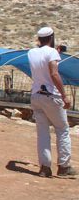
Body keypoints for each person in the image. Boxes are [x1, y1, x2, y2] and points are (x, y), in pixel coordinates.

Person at [27, 26, 76, 178]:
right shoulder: (52, 53)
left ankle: (44, 167)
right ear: (52, 38)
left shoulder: (31, 52)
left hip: (36, 95)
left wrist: (56, 51)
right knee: (62, 129)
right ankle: (64, 166)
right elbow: (54, 73)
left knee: (42, 132)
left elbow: (42, 57)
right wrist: (64, 96)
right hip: (51, 95)